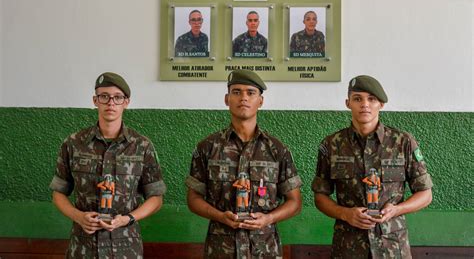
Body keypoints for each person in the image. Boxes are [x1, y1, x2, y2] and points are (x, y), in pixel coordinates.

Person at [312, 75, 433, 258]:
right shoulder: (332, 145)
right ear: (348, 103)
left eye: (372, 99)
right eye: (357, 99)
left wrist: (397, 209)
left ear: (381, 104)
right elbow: (320, 197)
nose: (365, 104)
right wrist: (345, 214)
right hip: (348, 247)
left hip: (392, 248)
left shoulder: (403, 142)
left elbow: (425, 194)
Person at [186, 69, 302, 258]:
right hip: (221, 249)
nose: (244, 98)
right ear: (227, 99)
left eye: (251, 92)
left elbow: (295, 202)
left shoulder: (277, 149)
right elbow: (193, 200)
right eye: (237, 92)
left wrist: (268, 218)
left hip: (264, 249)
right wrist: (220, 216)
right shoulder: (208, 147)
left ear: (261, 101)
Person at [50, 72, 167, 258]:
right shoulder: (73, 143)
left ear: (126, 102)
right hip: (83, 247)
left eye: (117, 97)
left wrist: (128, 219)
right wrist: (78, 216)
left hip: (125, 248)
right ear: (95, 100)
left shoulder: (141, 146)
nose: (111, 103)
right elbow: (58, 193)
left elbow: (156, 199)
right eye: (104, 96)